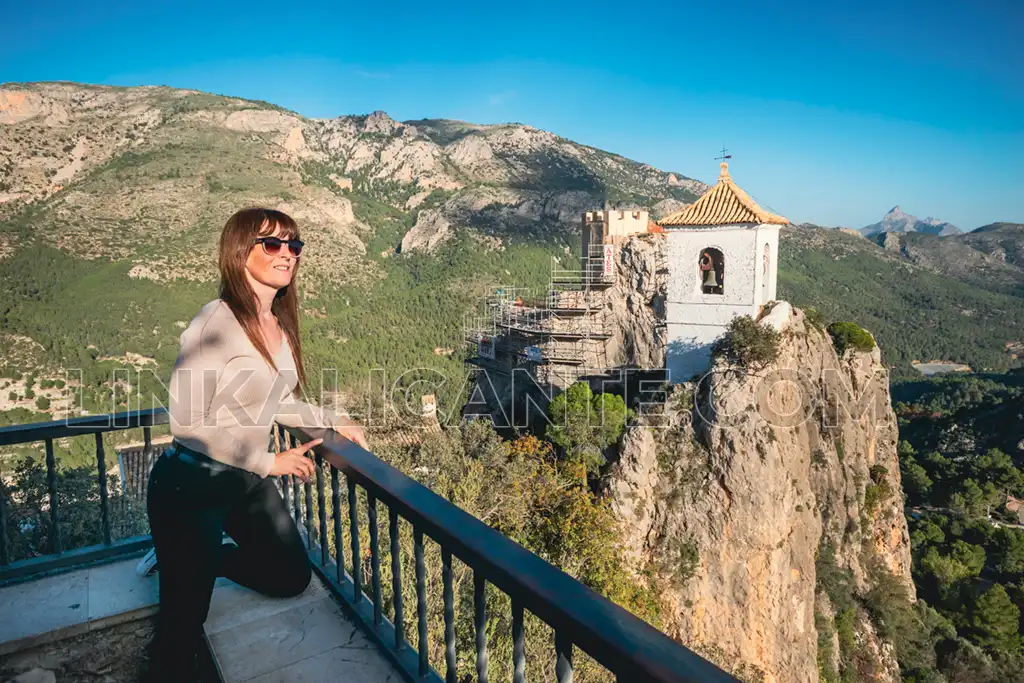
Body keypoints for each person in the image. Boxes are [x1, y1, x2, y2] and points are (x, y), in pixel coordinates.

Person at [140, 207, 369, 682]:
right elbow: (186, 422)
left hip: (243, 481)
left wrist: (331, 422)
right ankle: (185, 569)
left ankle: (187, 562)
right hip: (192, 483)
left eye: (294, 245)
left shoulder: (277, 325)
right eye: (272, 244)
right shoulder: (216, 322)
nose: (287, 254)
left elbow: (279, 401)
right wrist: (269, 460)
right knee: (184, 624)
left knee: (290, 577)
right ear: (240, 252)